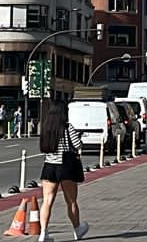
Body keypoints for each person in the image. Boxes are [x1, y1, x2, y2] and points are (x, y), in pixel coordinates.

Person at [34, 100, 88, 241]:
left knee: (47, 200)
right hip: (66, 166)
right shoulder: (67, 127)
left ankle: (43, 233)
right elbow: (77, 144)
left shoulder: (46, 128)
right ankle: (77, 229)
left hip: (50, 166)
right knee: (71, 201)